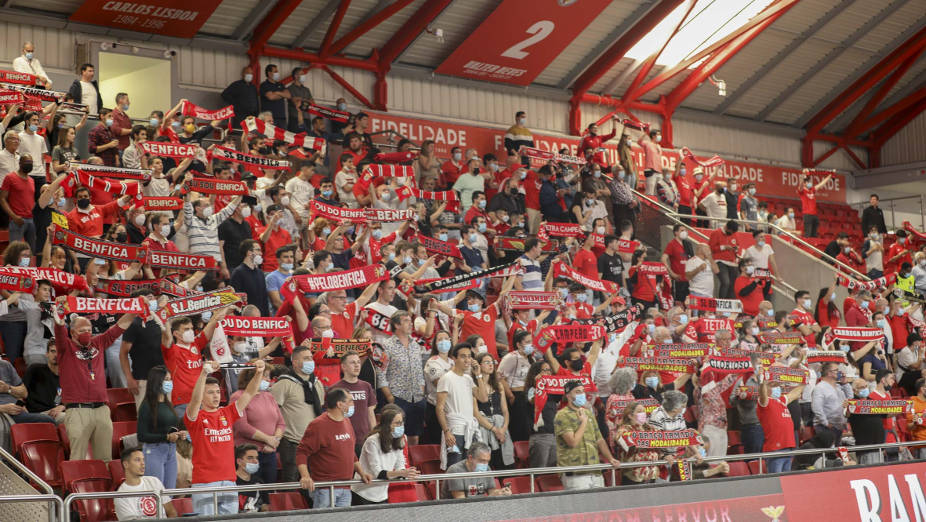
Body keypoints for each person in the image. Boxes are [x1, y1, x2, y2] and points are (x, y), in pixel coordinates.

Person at [55, 304, 137, 461]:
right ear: (72, 332)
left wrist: (136, 309)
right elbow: (59, 331)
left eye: (89, 330)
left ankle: (104, 486)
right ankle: (77, 485)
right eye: (82, 331)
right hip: (77, 410)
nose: (87, 333)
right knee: (78, 458)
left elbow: (119, 327)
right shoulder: (65, 347)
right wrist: (59, 316)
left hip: (101, 409)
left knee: (105, 459)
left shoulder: (98, 342)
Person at [186, 359, 266, 516]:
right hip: (205, 483)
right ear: (201, 395)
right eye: (210, 393)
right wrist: (204, 373)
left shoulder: (227, 413)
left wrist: (259, 373)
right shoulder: (194, 416)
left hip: (229, 480)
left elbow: (249, 393)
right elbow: (194, 401)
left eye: (217, 392)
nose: (216, 396)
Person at [297, 387, 373, 508]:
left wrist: (361, 473)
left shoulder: (347, 421)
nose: (353, 404)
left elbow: (350, 453)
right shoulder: (318, 425)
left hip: (346, 486)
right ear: (339, 404)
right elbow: (302, 452)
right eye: (350, 401)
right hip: (325, 488)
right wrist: (305, 476)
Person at [271, 345, 325, 483]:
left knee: (315, 481)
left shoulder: (317, 383)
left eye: (311, 358)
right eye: (306, 358)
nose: (310, 361)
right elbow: (271, 411)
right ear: (294, 362)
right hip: (292, 442)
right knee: (292, 482)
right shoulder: (284, 383)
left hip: (314, 444)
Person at [554, 380, 620, 490]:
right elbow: (572, 442)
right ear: (568, 396)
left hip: (594, 469)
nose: (582, 394)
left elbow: (599, 439)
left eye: (583, 391)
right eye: (578, 392)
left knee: (599, 505)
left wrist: (610, 458)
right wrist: (584, 422)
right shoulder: (562, 415)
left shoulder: (588, 413)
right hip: (575, 472)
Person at [161, 310, 228, 418]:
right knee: (187, 434)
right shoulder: (172, 350)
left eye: (191, 328)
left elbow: (210, 326)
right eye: (186, 329)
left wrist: (219, 312)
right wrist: (166, 315)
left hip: (203, 399)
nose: (191, 331)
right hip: (183, 402)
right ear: (176, 334)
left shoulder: (195, 344)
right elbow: (167, 337)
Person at [229, 363, 285, 485]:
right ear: (252, 376)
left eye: (268, 376)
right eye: (264, 376)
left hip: (270, 452)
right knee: (249, 493)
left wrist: (274, 442)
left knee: (268, 493)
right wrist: (268, 439)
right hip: (247, 454)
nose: (268, 380)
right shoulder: (238, 396)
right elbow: (242, 427)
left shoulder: (269, 396)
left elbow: (281, 423)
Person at [353, 404, 420, 505]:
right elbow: (377, 473)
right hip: (363, 493)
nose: (401, 426)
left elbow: (400, 465)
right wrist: (402, 473)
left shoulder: (400, 440)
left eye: (402, 423)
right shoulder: (372, 441)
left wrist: (405, 472)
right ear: (387, 424)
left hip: (382, 494)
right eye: (397, 423)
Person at [378, 311, 427, 445]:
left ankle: (412, 465)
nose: (410, 323)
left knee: (414, 437)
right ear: (396, 325)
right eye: (406, 321)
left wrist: (421, 389)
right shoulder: (386, 345)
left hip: (417, 397)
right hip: (398, 398)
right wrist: (390, 397)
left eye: (410, 321)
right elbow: (380, 373)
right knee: (395, 437)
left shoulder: (416, 345)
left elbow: (420, 371)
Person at [136, 365, 185, 490]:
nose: (169, 383)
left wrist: (179, 434)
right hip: (154, 451)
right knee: (156, 493)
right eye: (166, 380)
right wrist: (167, 437)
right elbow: (141, 435)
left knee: (169, 493)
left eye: (170, 379)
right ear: (157, 382)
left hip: (171, 450)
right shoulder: (147, 406)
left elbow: (169, 426)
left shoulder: (167, 404)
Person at [120, 290, 165, 408]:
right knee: (145, 419)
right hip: (143, 379)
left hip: (164, 378)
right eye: (148, 298)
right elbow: (123, 354)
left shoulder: (160, 321)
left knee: (166, 419)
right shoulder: (133, 324)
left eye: (152, 298)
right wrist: (129, 378)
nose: (151, 301)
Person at [436, 343, 479, 468]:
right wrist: (447, 431)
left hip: (469, 429)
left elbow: (483, 397)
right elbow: (439, 408)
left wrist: (478, 375)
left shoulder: (469, 379)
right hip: (455, 430)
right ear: (454, 359)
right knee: (455, 467)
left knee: (471, 467)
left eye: (469, 356)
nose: (467, 360)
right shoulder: (446, 378)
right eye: (463, 356)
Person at [332, 351, 378, 453]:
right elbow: (331, 415)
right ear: (343, 366)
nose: (357, 365)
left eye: (358, 362)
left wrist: (374, 436)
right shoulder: (335, 388)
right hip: (343, 438)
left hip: (364, 439)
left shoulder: (366, 386)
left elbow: (370, 412)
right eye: (353, 363)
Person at [114, 447, 177, 520]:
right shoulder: (120, 496)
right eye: (137, 460)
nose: (143, 463)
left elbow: (172, 512)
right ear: (126, 464)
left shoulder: (154, 481)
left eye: (143, 460)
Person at [612, 401, 660, 484]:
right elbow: (626, 444)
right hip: (633, 476)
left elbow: (663, 443)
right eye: (639, 411)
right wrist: (647, 440)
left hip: (652, 474)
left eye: (644, 411)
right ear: (630, 415)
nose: (643, 414)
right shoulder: (623, 430)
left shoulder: (652, 429)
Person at [442, 441, 512, 499]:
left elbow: (492, 492)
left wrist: (501, 492)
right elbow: (461, 501)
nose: (485, 464)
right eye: (482, 461)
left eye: (487, 461)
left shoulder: (487, 469)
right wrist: (490, 497)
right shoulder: (455, 470)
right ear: (470, 458)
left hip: (479, 508)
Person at [23, 340, 64, 423]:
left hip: (56, 412)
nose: (56, 355)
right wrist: (22, 407)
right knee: (71, 419)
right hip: (36, 413)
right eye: (52, 351)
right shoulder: (35, 369)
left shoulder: (67, 376)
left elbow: (74, 398)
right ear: (47, 354)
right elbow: (21, 390)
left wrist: (63, 406)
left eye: (59, 352)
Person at [811, 362, 848, 443]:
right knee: (829, 454)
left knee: (836, 453)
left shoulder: (838, 387)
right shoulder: (820, 388)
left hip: (838, 426)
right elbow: (816, 408)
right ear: (829, 373)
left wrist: (845, 383)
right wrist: (826, 423)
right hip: (825, 427)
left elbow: (849, 398)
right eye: (837, 370)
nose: (840, 372)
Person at [797, 169, 832, 238]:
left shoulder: (812, 190)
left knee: (814, 235)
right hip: (807, 215)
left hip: (814, 215)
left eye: (809, 182)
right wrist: (803, 175)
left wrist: (829, 176)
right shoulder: (802, 191)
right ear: (804, 183)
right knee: (808, 234)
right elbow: (800, 184)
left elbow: (821, 184)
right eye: (807, 182)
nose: (809, 183)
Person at [710, 220, 740, 299]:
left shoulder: (734, 234)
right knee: (726, 282)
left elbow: (737, 245)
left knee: (733, 285)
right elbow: (711, 248)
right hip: (720, 261)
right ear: (726, 227)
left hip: (732, 262)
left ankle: (730, 305)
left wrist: (736, 249)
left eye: (733, 232)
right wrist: (724, 247)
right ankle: (721, 303)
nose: (731, 234)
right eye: (730, 232)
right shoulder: (716, 233)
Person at [235, 444, 269, 513]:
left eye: (256, 458)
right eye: (250, 458)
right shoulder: (230, 482)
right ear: (239, 461)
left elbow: (265, 507)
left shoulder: (259, 482)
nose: (255, 461)